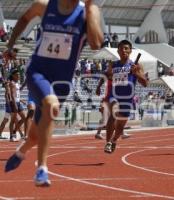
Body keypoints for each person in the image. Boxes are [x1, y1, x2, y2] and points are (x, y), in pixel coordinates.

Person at [4, 0, 103, 187]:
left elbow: (96, 43)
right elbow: (24, 18)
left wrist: (90, 12)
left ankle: (21, 152)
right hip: (37, 72)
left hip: (61, 82)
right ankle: (42, 169)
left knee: (35, 135)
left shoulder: (89, 11)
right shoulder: (43, 5)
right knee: (51, 105)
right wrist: (10, 46)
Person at [104, 40, 148, 153]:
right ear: (118, 51)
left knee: (120, 127)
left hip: (127, 99)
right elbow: (108, 77)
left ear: (130, 51)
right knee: (113, 114)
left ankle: (114, 140)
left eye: (126, 48)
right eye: (121, 48)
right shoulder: (113, 64)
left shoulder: (137, 65)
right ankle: (108, 142)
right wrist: (110, 77)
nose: (124, 50)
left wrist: (136, 73)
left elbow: (145, 83)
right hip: (114, 96)